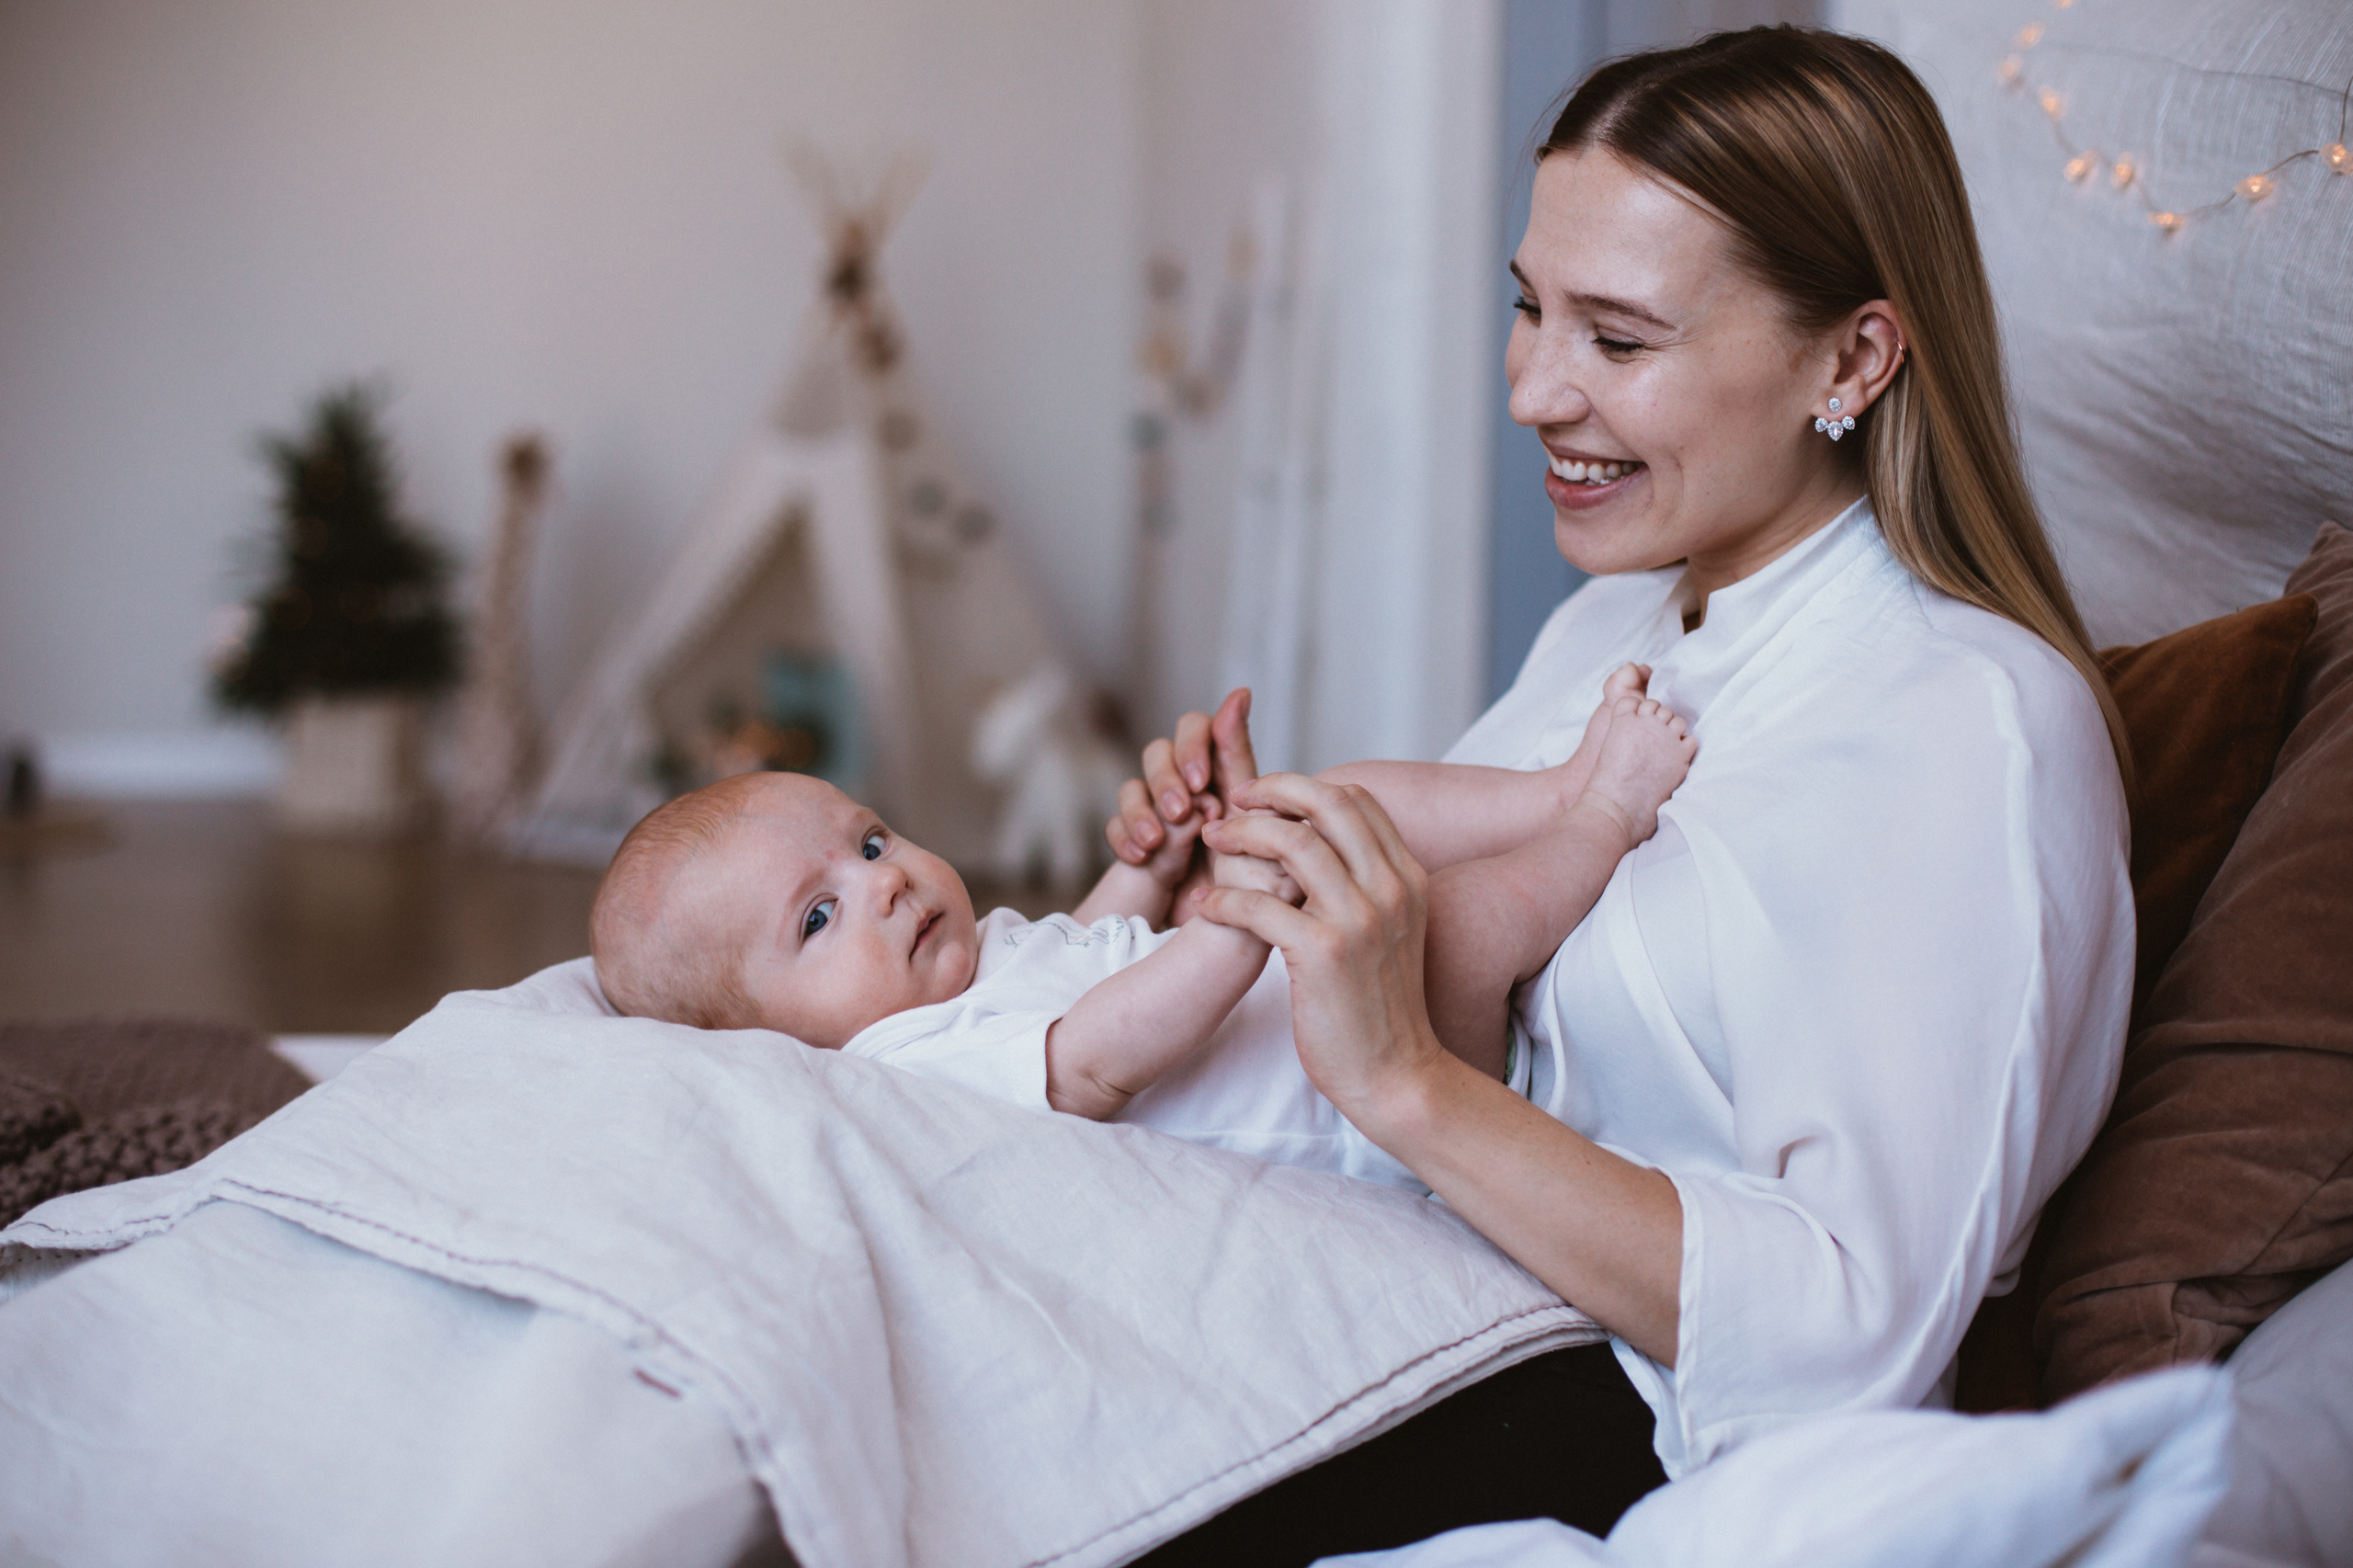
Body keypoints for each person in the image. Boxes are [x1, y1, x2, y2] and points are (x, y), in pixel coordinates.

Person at [1112, 26, 2136, 1564]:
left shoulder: (1964, 726)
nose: (1533, 388)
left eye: (1619, 337)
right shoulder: (1610, 631)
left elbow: (1852, 1330)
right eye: (1531, 309)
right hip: (1406, 1291)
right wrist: (1223, 895)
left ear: (1852, 360)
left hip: (1611, 1424)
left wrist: (1412, 1083)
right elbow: (1493, 1030)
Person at [588, 679, 1693, 1187]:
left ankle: (1553, 792)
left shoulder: (967, 970)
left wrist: (1153, 864)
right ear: (767, 1042)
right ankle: (1607, 815)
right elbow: (1100, 1049)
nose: (880, 883)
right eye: (818, 916)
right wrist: (1236, 919)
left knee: (1332, 794)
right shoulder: (908, 1062)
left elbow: (1084, 949)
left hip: (1331, 998)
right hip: (1377, 1111)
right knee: (1458, 926)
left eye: (869, 841)